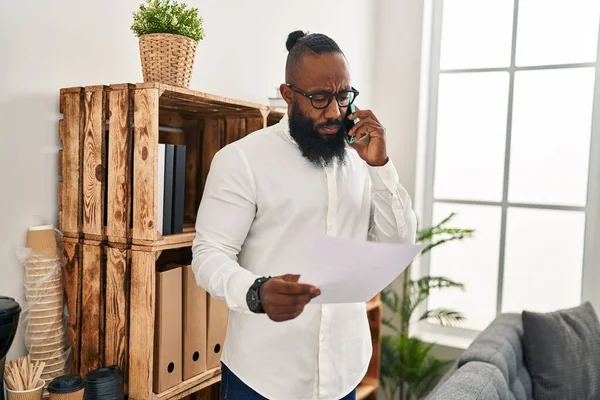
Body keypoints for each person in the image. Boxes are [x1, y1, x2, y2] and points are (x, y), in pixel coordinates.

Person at [192, 30, 417, 400]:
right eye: (319, 98)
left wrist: (382, 167)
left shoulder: (363, 161)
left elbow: (396, 243)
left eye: (343, 96)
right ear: (287, 95)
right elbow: (208, 254)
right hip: (263, 377)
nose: (333, 111)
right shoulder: (242, 161)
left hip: (343, 371)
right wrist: (256, 291)